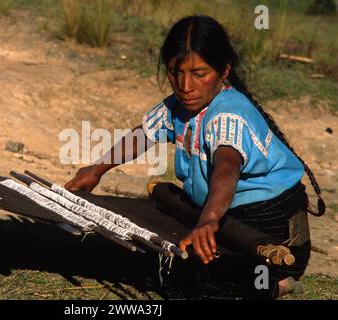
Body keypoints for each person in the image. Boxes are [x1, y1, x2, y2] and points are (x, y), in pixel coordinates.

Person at [65, 15, 325, 299]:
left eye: (200, 74)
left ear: (223, 71)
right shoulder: (179, 106)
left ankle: (278, 284)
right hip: (219, 216)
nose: (186, 85)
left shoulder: (228, 115)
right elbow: (144, 134)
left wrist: (209, 220)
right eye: (176, 72)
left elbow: (227, 168)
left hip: (270, 232)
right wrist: (96, 170)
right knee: (152, 262)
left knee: (200, 285)